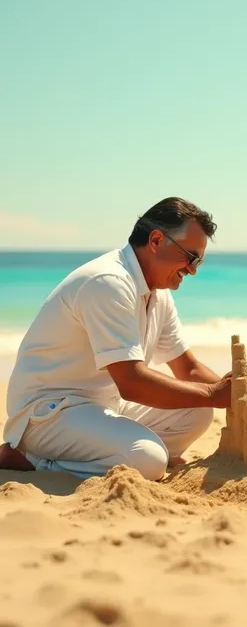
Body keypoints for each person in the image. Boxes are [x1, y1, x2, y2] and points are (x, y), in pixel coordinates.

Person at [0, 197, 231, 481]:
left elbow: (189, 369)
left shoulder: (157, 293)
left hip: (100, 405)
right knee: (149, 461)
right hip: (49, 413)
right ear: (156, 240)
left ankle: (113, 452)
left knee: (197, 412)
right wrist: (213, 394)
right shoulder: (107, 281)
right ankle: (31, 458)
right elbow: (131, 383)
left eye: (199, 261)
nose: (193, 269)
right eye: (191, 257)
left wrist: (239, 396)